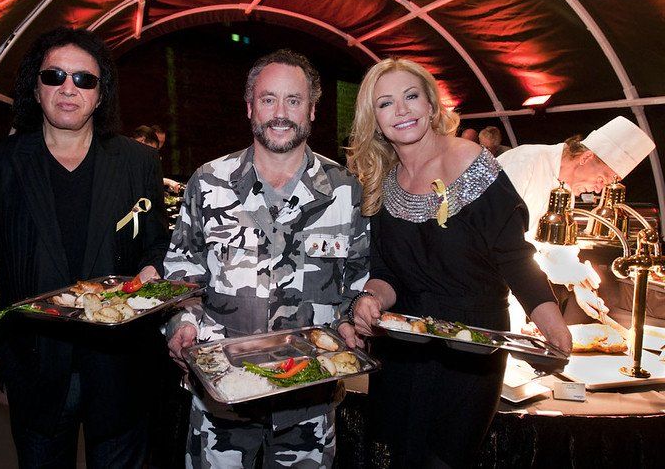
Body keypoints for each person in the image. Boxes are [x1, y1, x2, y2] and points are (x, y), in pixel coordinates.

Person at [0, 27, 170, 468]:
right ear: (36, 88)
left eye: (84, 79)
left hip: (121, 367)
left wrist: (152, 269)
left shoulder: (138, 162)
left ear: (101, 94)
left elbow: (158, 242)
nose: (69, 88)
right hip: (34, 369)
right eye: (55, 76)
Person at [341, 58, 571, 467]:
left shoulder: (474, 164)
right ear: (374, 120)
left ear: (431, 105)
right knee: (399, 456)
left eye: (411, 96)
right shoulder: (382, 182)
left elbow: (515, 258)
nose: (402, 110)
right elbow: (387, 273)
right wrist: (370, 299)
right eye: (385, 103)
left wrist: (552, 324)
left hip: (470, 347)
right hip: (403, 343)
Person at [164, 49, 369, 468]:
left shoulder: (345, 190)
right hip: (221, 398)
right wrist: (182, 323)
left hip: (310, 403)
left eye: (293, 101)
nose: (280, 113)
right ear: (249, 107)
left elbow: (357, 283)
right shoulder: (209, 182)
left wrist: (355, 320)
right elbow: (182, 275)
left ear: (312, 110)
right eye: (268, 99)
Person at [498, 117, 655, 323]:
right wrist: (563, 273)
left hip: (515, 292)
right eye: (602, 179)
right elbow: (503, 243)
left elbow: (553, 247)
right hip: (483, 285)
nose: (599, 190)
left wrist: (578, 283)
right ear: (586, 157)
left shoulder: (567, 192)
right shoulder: (525, 162)